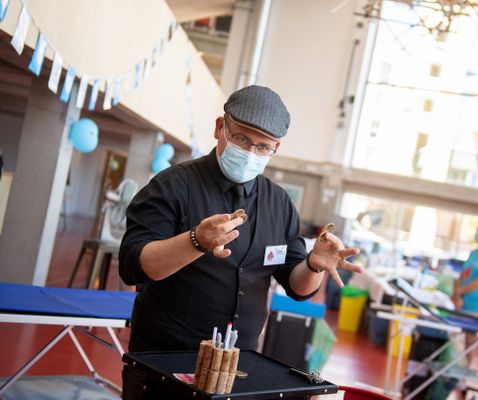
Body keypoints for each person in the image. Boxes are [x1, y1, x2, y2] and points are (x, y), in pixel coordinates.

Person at [119, 85, 362, 398]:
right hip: (164, 366)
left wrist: (313, 265)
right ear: (220, 128)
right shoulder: (173, 186)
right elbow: (134, 264)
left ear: (276, 148)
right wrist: (194, 241)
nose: (251, 153)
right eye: (242, 139)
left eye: (264, 147)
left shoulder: (278, 204)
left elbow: (296, 285)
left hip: (235, 370)